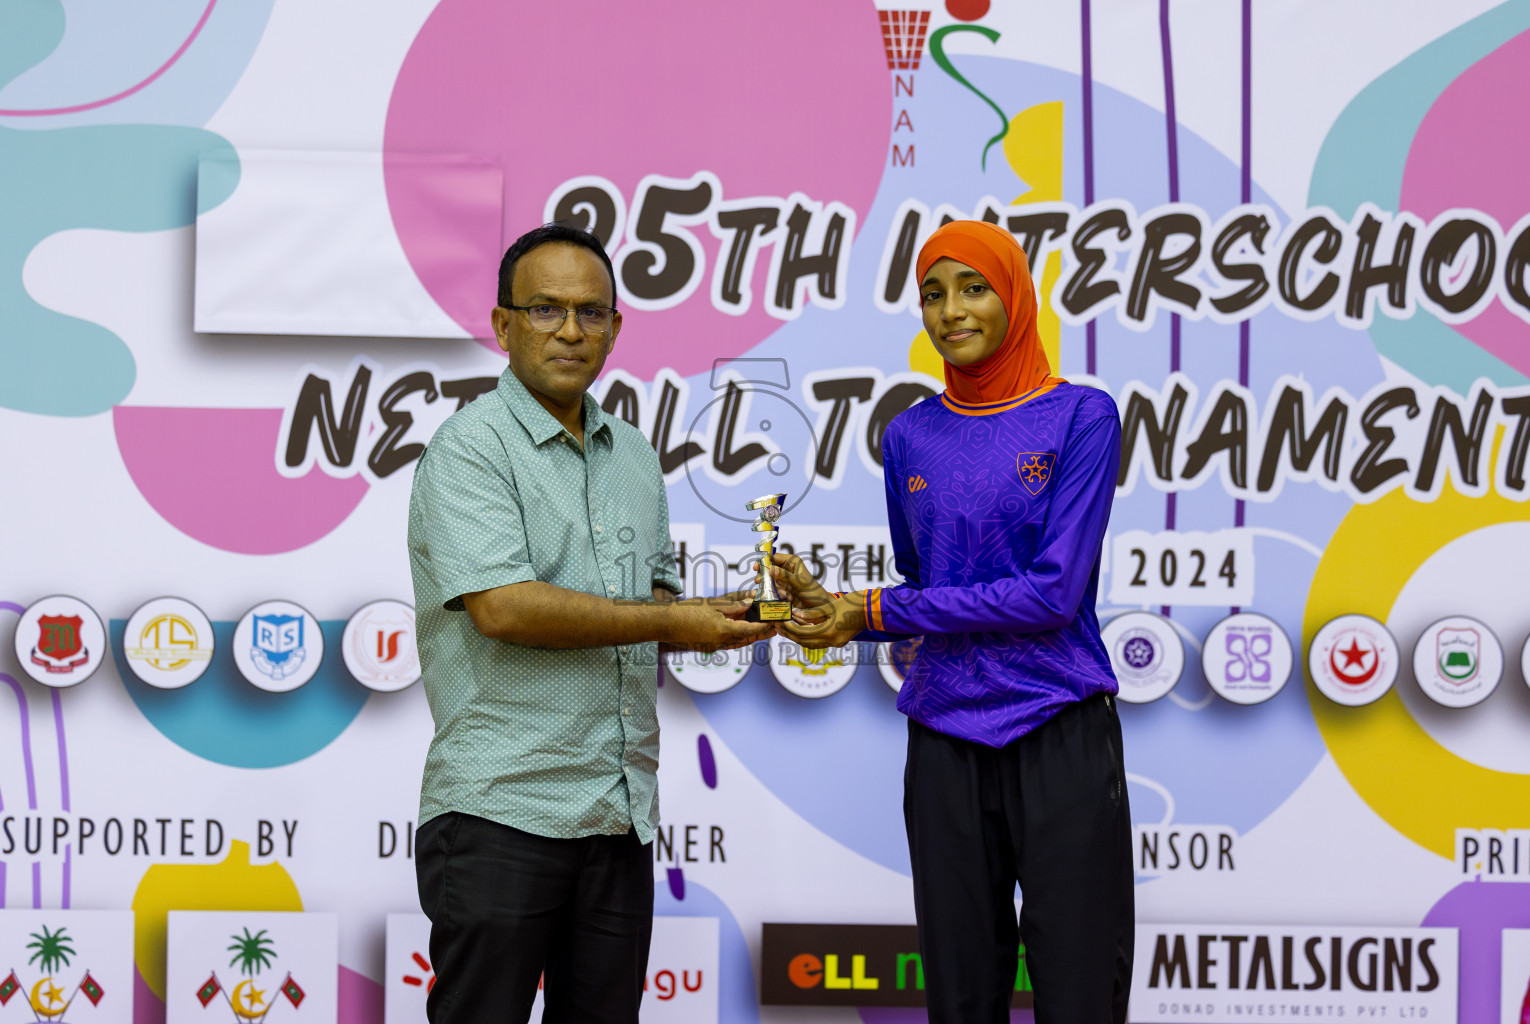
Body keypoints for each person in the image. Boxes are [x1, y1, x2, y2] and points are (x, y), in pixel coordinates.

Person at [769, 220, 1134, 1023]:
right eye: (932, 294)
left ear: (1015, 298)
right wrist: (838, 610)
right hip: (944, 735)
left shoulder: (1082, 417)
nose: (950, 311)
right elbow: (924, 579)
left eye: (974, 289)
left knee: (1079, 994)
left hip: (1058, 726)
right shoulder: (908, 434)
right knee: (959, 997)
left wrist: (869, 611)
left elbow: (1051, 595)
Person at [407, 223, 772, 1024]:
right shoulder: (470, 449)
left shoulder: (635, 457)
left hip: (618, 814)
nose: (570, 331)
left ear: (615, 327)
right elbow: (504, 608)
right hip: (504, 807)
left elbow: (657, 606)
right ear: (502, 325)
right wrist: (674, 622)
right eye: (544, 310)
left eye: (591, 312)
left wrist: (747, 615)